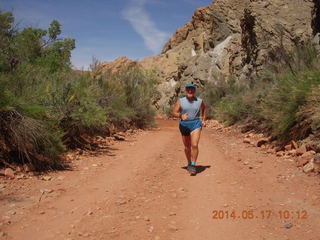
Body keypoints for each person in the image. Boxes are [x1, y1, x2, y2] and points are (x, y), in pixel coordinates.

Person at [172, 83, 207, 175]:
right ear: (186, 91)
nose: (190, 91)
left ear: (194, 91)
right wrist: (181, 115)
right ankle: (189, 162)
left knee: (194, 145)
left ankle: (193, 164)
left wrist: (203, 120)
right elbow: (174, 112)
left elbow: (204, 108)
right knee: (187, 147)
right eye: (188, 89)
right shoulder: (180, 101)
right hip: (184, 125)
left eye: (192, 89)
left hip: (195, 123)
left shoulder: (199, 101)